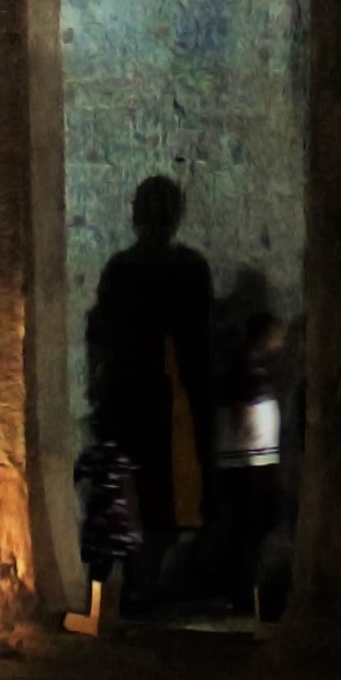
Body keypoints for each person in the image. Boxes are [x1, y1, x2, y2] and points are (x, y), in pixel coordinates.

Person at [85, 177, 225, 604]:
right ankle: (140, 581)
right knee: (149, 495)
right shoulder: (174, 268)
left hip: (150, 398)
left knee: (149, 495)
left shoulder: (131, 269)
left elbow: (103, 335)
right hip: (151, 398)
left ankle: (139, 582)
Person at [196, 314, 289, 617]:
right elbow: (239, 414)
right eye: (278, 336)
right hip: (250, 461)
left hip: (251, 459)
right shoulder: (247, 367)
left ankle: (246, 593)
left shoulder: (254, 366)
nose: (282, 343)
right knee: (250, 528)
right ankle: (245, 595)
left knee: (250, 527)